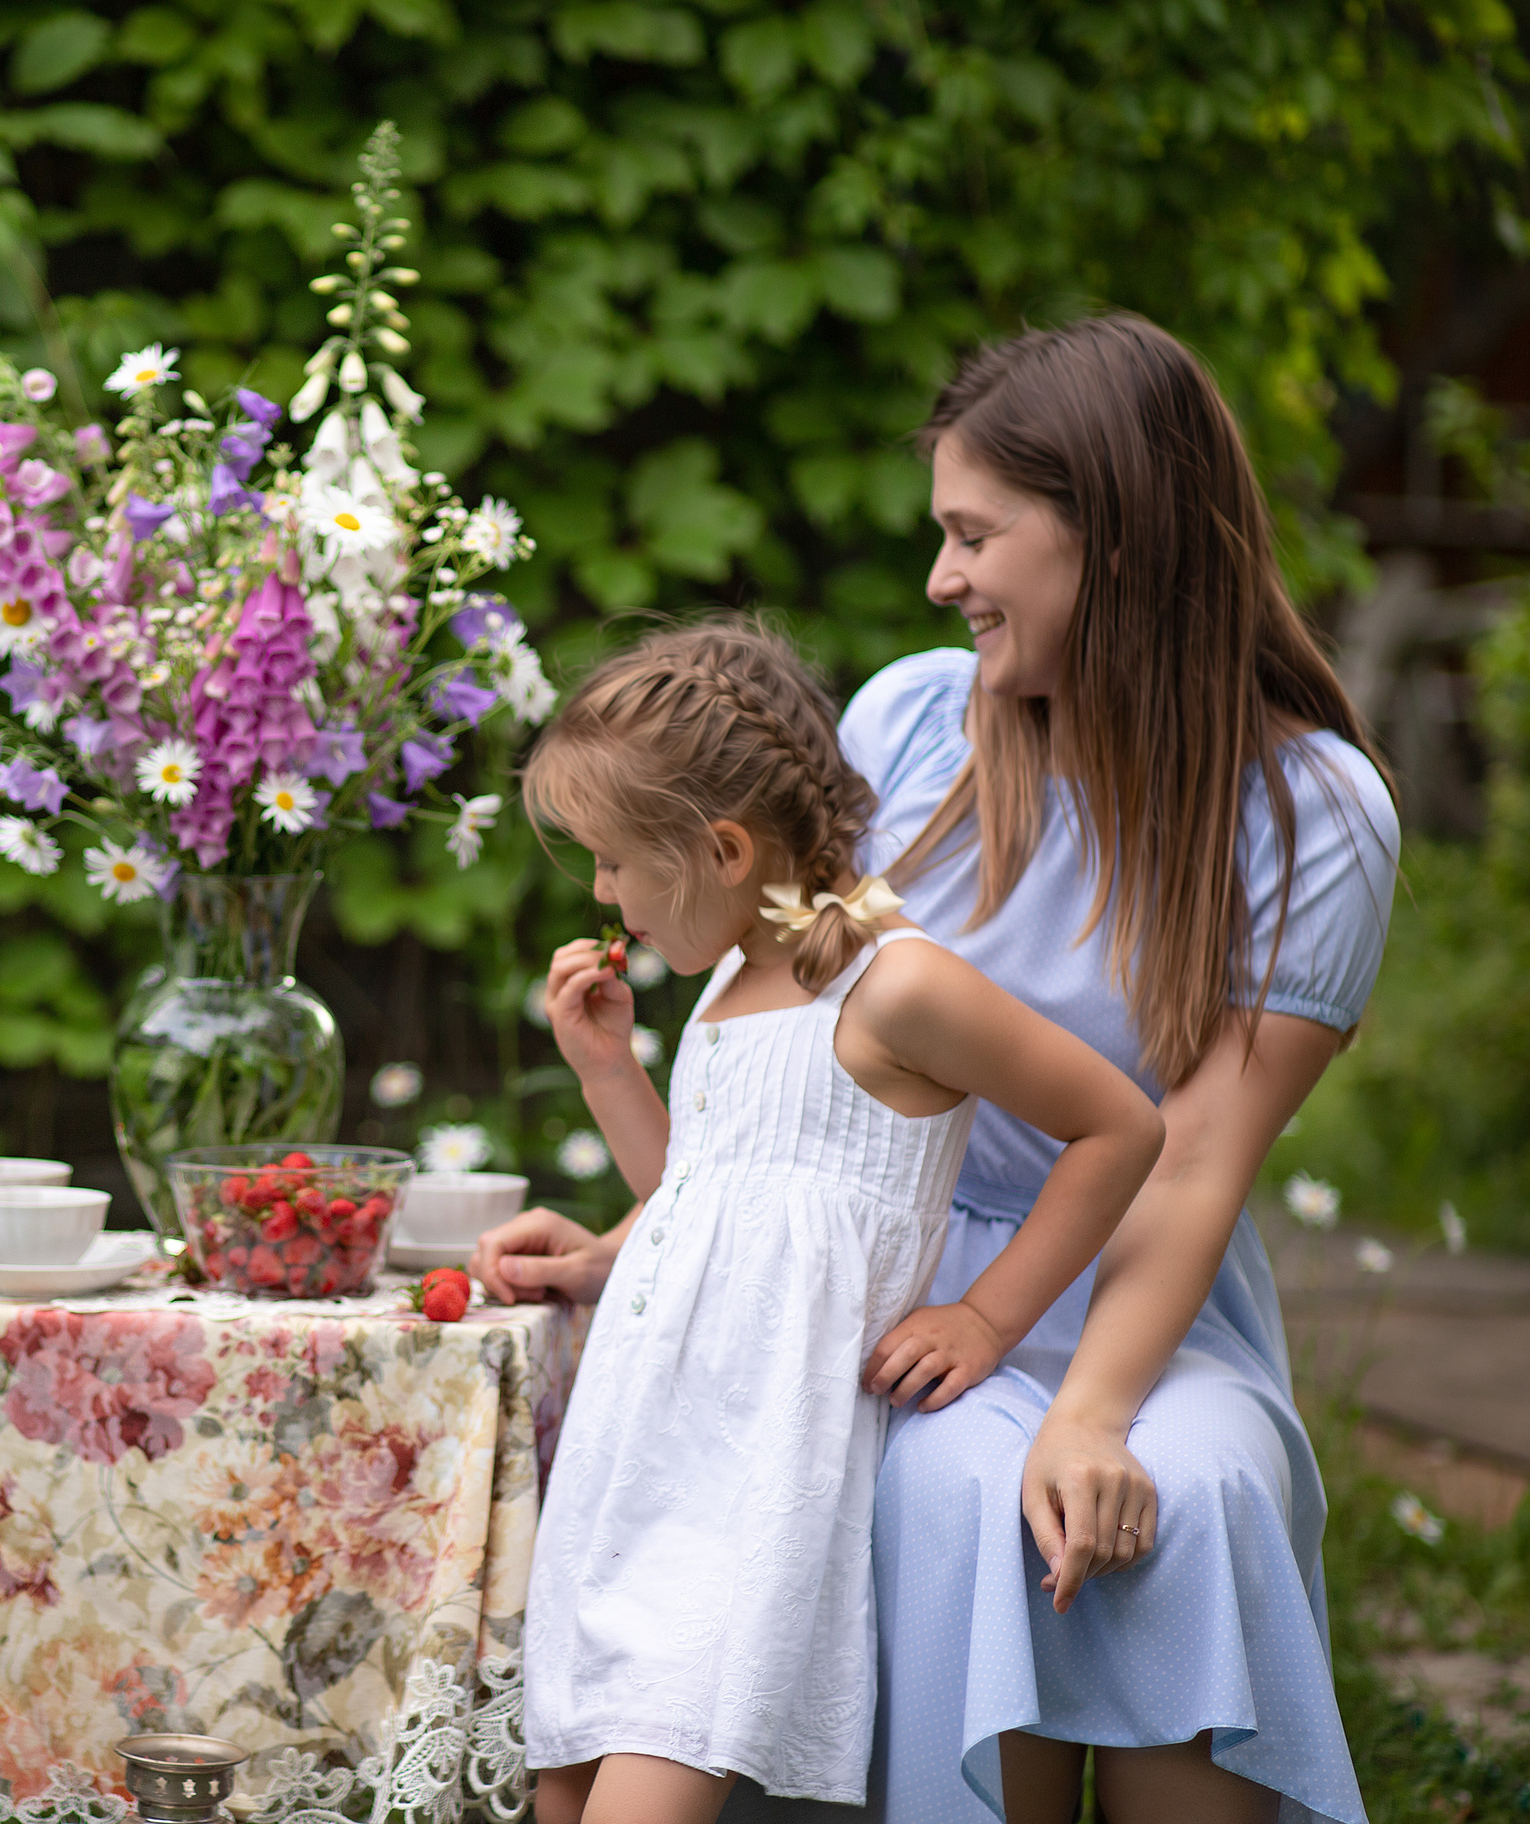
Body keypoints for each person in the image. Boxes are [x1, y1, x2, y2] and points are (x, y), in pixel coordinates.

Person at [480, 317, 1396, 1823]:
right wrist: (628, 1247)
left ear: (1117, 537)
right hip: (893, 1289)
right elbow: (783, 1101)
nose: (941, 578)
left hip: (1137, 1291)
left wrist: (1091, 1405)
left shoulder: (1313, 813)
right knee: (964, 1490)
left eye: (976, 535)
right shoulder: (913, 723)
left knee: (1204, 1491)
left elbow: (1189, 1155)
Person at [501, 621, 1165, 1822]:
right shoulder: (726, 978)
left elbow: (1120, 1126)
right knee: (560, 1792)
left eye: (609, 862)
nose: (601, 894)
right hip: (637, 1466)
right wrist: (608, 1074)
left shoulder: (892, 984)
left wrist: (984, 1314)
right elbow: (700, 1198)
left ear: (719, 848)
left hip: (738, 1492)